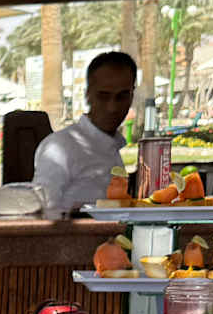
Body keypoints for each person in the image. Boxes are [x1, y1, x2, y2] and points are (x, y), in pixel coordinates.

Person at [32, 51, 136, 217]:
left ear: (132, 96)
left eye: (121, 96)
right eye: (103, 96)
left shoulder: (112, 147)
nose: (112, 107)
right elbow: (40, 214)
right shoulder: (60, 147)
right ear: (88, 95)